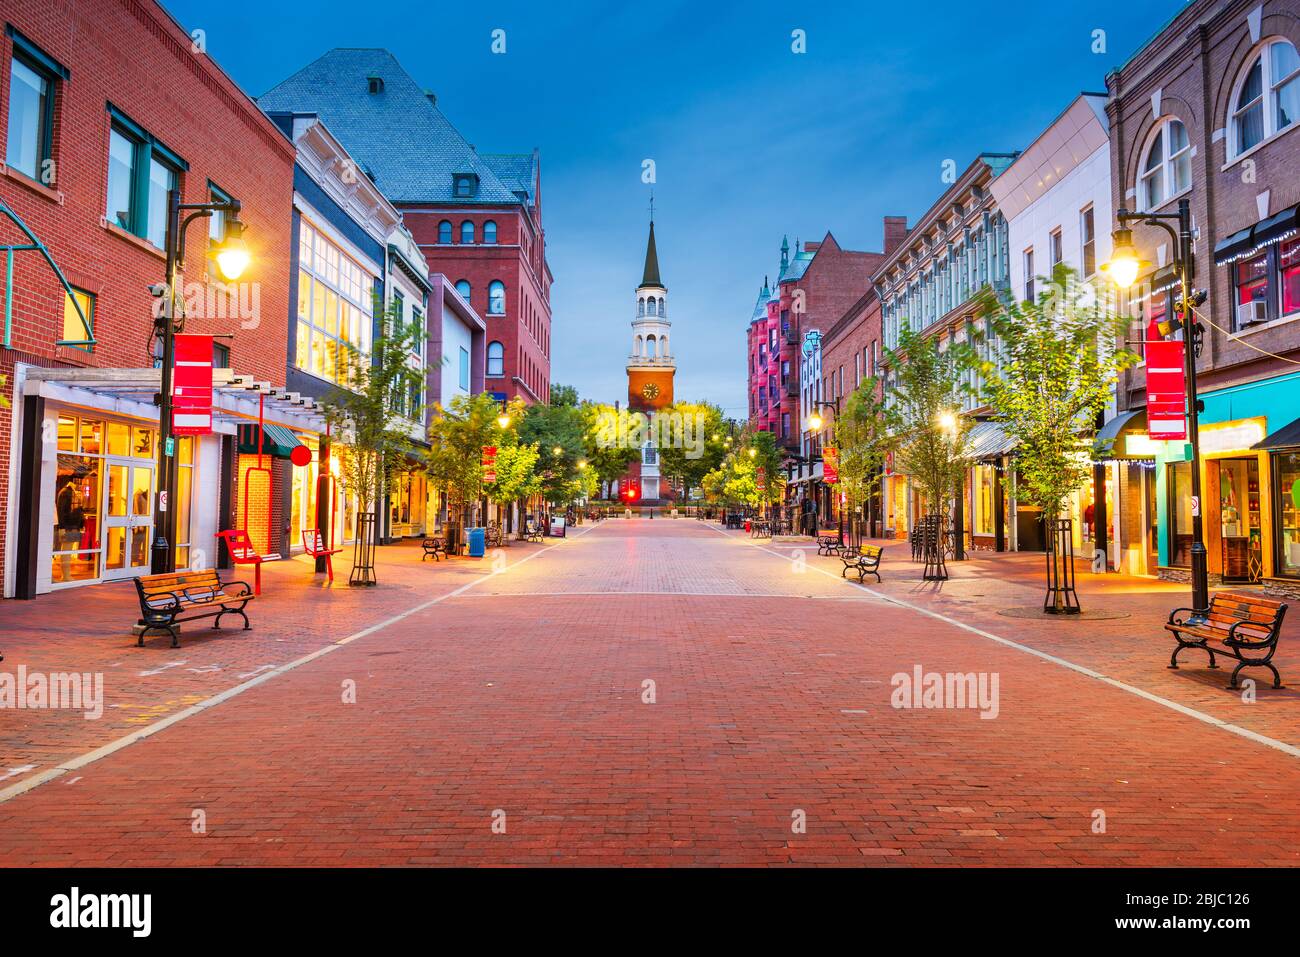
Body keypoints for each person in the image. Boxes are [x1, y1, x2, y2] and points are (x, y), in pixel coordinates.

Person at [56, 477, 86, 582]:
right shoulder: (65, 492)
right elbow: (61, 511)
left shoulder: (75, 492)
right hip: (68, 527)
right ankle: (65, 575)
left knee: (69, 550)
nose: (81, 483)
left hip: (74, 526)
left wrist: (82, 524)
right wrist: (62, 527)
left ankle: (67, 575)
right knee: (66, 551)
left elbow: (79, 510)